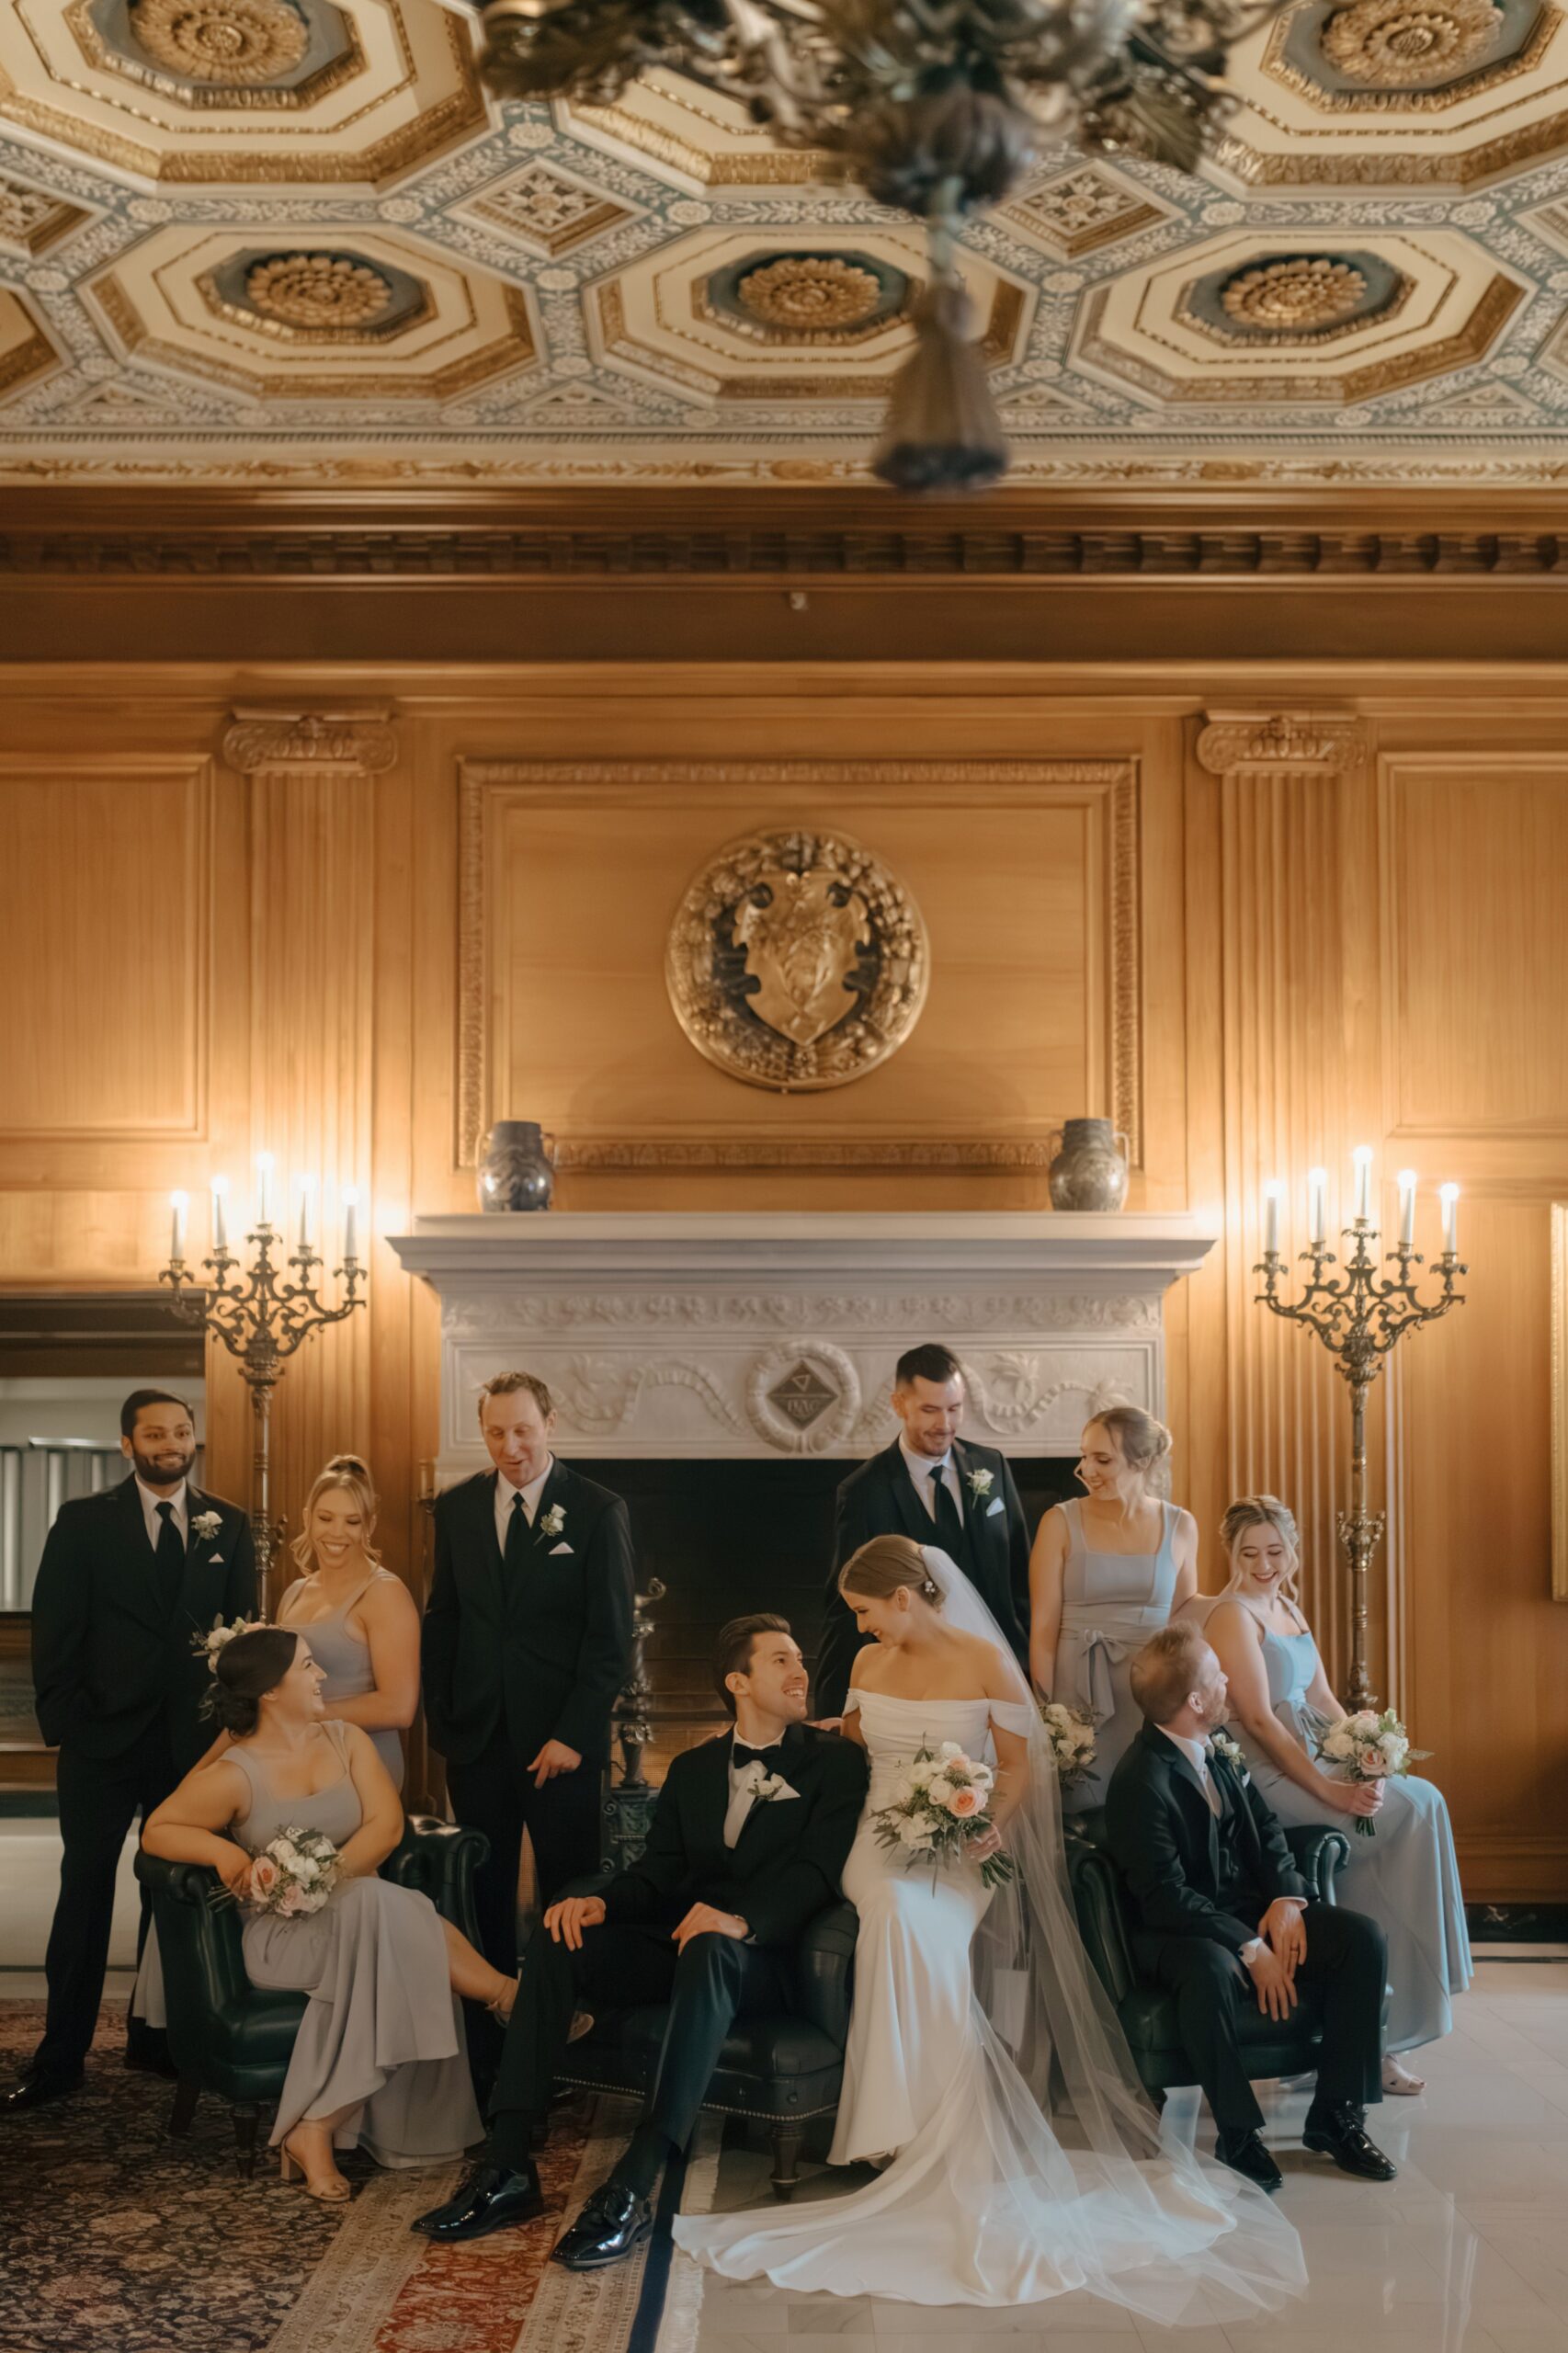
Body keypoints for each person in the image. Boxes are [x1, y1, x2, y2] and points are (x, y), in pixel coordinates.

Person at [670, 1537, 1307, 2321]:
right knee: (892, 1911)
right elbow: (860, 1745)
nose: (861, 1627)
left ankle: (934, 2135)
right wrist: (819, 1738)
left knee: (924, 1928)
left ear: (903, 1598)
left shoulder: (985, 1663)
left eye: (866, 1611)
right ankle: (900, 2129)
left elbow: (1016, 1767)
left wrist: (985, 1822)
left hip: (959, 1843)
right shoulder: (867, 1665)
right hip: (876, 1839)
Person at [410, 1614, 868, 2264]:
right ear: (738, 1682)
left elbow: (818, 1871)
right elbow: (659, 1872)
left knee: (710, 1945)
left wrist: (740, 1922)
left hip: (763, 1958)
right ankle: (507, 2163)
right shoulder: (693, 1767)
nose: (801, 1672)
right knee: (560, 1930)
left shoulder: (835, 1763)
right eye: (782, 1660)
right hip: (683, 1944)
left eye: (800, 1659)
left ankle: (634, 2181)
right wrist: (599, 1901)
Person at [142, 1626, 510, 2200]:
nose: (322, 1676)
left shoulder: (347, 1740)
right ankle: (509, 1997)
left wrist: (322, 1879)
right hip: (283, 1939)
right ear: (270, 1690)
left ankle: (316, 2127)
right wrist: (223, 1852)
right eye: (308, 1666)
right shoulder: (235, 1772)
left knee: (379, 1906)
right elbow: (157, 1830)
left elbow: (386, 1826)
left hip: (363, 1919)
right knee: (393, 1908)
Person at [6, 1391, 255, 2112]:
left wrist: (231, 1738)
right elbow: (55, 1628)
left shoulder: (229, 1523)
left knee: (171, 1895)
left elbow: (242, 1635)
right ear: (128, 1444)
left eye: (181, 1431)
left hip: (192, 1751)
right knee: (84, 1891)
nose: (171, 1443)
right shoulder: (82, 1521)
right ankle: (60, 2058)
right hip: (101, 1743)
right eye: (155, 1434)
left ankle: (158, 2042)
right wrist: (68, 1725)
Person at [1183, 1495, 1472, 2094]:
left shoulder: (1287, 1605)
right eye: (1249, 1553)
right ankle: (1378, 2030)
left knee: (1424, 1798)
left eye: (1275, 1551)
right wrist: (1333, 1793)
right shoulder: (1232, 1615)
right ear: (1231, 1553)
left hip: (1316, 1756)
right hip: (1268, 1778)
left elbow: (1321, 1701)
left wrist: (1366, 1756)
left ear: (1293, 1550)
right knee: (1410, 1815)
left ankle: (1379, 2024)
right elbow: (1260, 1721)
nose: (1264, 1565)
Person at [1106, 1622, 1396, 2194]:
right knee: (1211, 1971)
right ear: (1195, 1701)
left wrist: (1287, 1899)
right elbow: (1165, 1897)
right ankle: (1238, 2134)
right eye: (1218, 1675)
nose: (1228, 1682)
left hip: (1250, 1910)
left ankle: (1336, 2116)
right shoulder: (1140, 1781)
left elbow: (1265, 1828)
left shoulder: (1217, 1745)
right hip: (1180, 1932)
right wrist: (1249, 1945)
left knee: (1361, 1939)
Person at [422, 1372, 635, 1999]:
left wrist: (573, 1734)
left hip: (559, 1745)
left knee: (569, 1892)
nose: (510, 1447)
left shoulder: (599, 1511)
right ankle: (495, 2025)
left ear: (550, 1424)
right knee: (481, 1891)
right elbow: (444, 1618)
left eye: (522, 1431)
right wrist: (444, 1717)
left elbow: (611, 1640)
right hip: (477, 1738)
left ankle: (569, 2020)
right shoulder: (457, 1507)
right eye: (495, 1433)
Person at [815, 1343, 1030, 1720]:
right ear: (898, 1404)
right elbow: (845, 1605)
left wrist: (1029, 1665)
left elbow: (1020, 1576)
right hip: (919, 1684)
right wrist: (832, 1707)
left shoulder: (991, 1465)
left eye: (954, 1408)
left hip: (1001, 1669)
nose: (945, 1424)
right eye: (930, 1410)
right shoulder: (863, 1491)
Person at [1029, 1404, 1198, 1812]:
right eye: (1084, 1456)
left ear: (1143, 1462)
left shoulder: (1181, 1525)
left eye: (1102, 1459)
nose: (1086, 1470)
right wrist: (1049, 1720)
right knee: (1082, 1806)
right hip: (1076, 1697)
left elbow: (1185, 1629)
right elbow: (1043, 1631)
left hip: (1153, 1697)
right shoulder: (1058, 1522)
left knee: (1152, 1809)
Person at [276, 1455, 419, 1790]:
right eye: (325, 1518)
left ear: (369, 1525)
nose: (337, 1532)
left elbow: (399, 1707)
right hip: (299, 1761)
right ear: (308, 1518)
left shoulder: (384, 1593)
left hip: (362, 1766)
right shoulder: (294, 1592)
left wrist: (304, 1715)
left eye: (352, 1521)